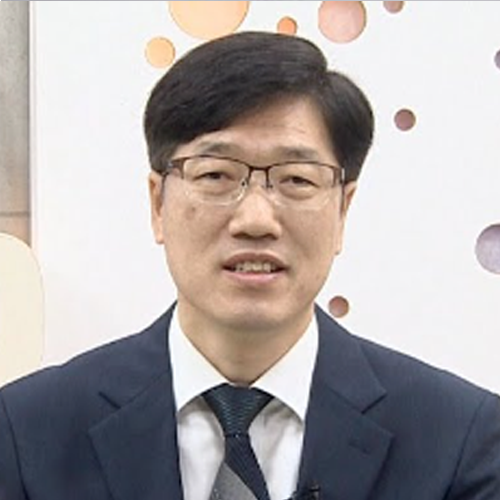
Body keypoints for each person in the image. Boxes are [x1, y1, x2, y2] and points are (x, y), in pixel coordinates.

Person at [1, 31, 499, 500]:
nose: (256, 220)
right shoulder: (25, 432)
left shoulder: (460, 440)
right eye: (215, 175)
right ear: (157, 203)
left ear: (342, 210)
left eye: (297, 179)